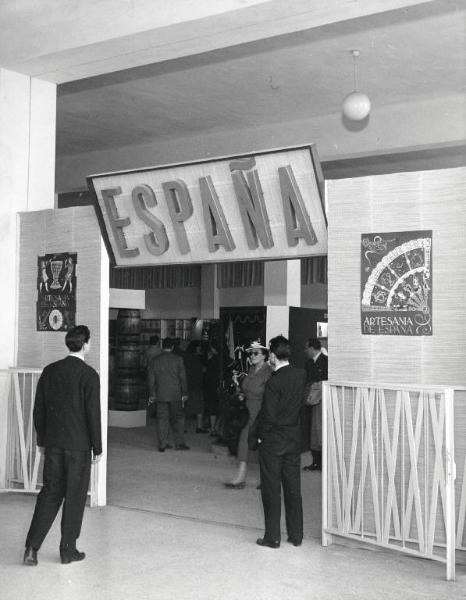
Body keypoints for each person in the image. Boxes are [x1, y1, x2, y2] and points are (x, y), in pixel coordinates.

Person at [23, 325, 102, 566]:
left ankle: (31, 549)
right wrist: (97, 448)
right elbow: (93, 414)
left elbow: (39, 410)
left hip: (54, 445)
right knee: (75, 497)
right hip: (78, 447)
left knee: (49, 494)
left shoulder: (50, 371)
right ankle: (68, 550)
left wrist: (42, 441)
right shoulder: (89, 375)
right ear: (86, 344)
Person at [249, 335, 306, 549]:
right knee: (293, 487)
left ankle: (272, 537)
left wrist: (262, 435)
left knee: (272, 489)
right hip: (293, 438)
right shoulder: (301, 374)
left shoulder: (274, 380)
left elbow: (269, 415)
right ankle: (296, 535)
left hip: (274, 441)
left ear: (272, 355)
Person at [224, 341, 272, 489]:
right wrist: (239, 392)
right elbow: (245, 390)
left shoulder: (269, 372)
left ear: (264, 355)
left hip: (261, 412)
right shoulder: (251, 370)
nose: (252, 355)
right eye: (250, 353)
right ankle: (241, 476)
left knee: (264, 445)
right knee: (243, 441)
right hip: (247, 411)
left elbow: (270, 395)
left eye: (256, 353)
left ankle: (267, 479)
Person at [148, 337, 189, 452]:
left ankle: (162, 444)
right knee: (179, 418)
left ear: (162, 346)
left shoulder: (155, 360)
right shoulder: (178, 359)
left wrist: (152, 394)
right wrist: (185, 393)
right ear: (172, 347)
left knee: (162, 419)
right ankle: (179, 443)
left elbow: (151, 379)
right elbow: (183, 378)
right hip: (176, 394)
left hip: (160, 394)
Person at [302, 338, 328, 472]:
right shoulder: (308, 363)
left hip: (322, 401)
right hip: (309, 401)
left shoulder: (327, 361)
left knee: (321, 431)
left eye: (306, 348)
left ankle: (323, 463)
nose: (305, 351)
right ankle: (316, 461)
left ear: (312, 348)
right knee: (312, 432)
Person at [183, 340, 208, 433]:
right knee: (199, 407)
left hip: (187, 385)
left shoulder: (185, 357)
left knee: (186, 407)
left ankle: (183, 427)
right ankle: (199, 427)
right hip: (196, 385)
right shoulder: (196, 358)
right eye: (199, 347)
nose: (200, 348)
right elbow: (202, 370)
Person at [203, 340, 221, 434]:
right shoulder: (222, 358)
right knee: (217, 407)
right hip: (219, 385)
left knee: (212, 407)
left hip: (212, 385)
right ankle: (216, 427)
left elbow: (208, 372)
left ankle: (213, 428)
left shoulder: (214, 359)